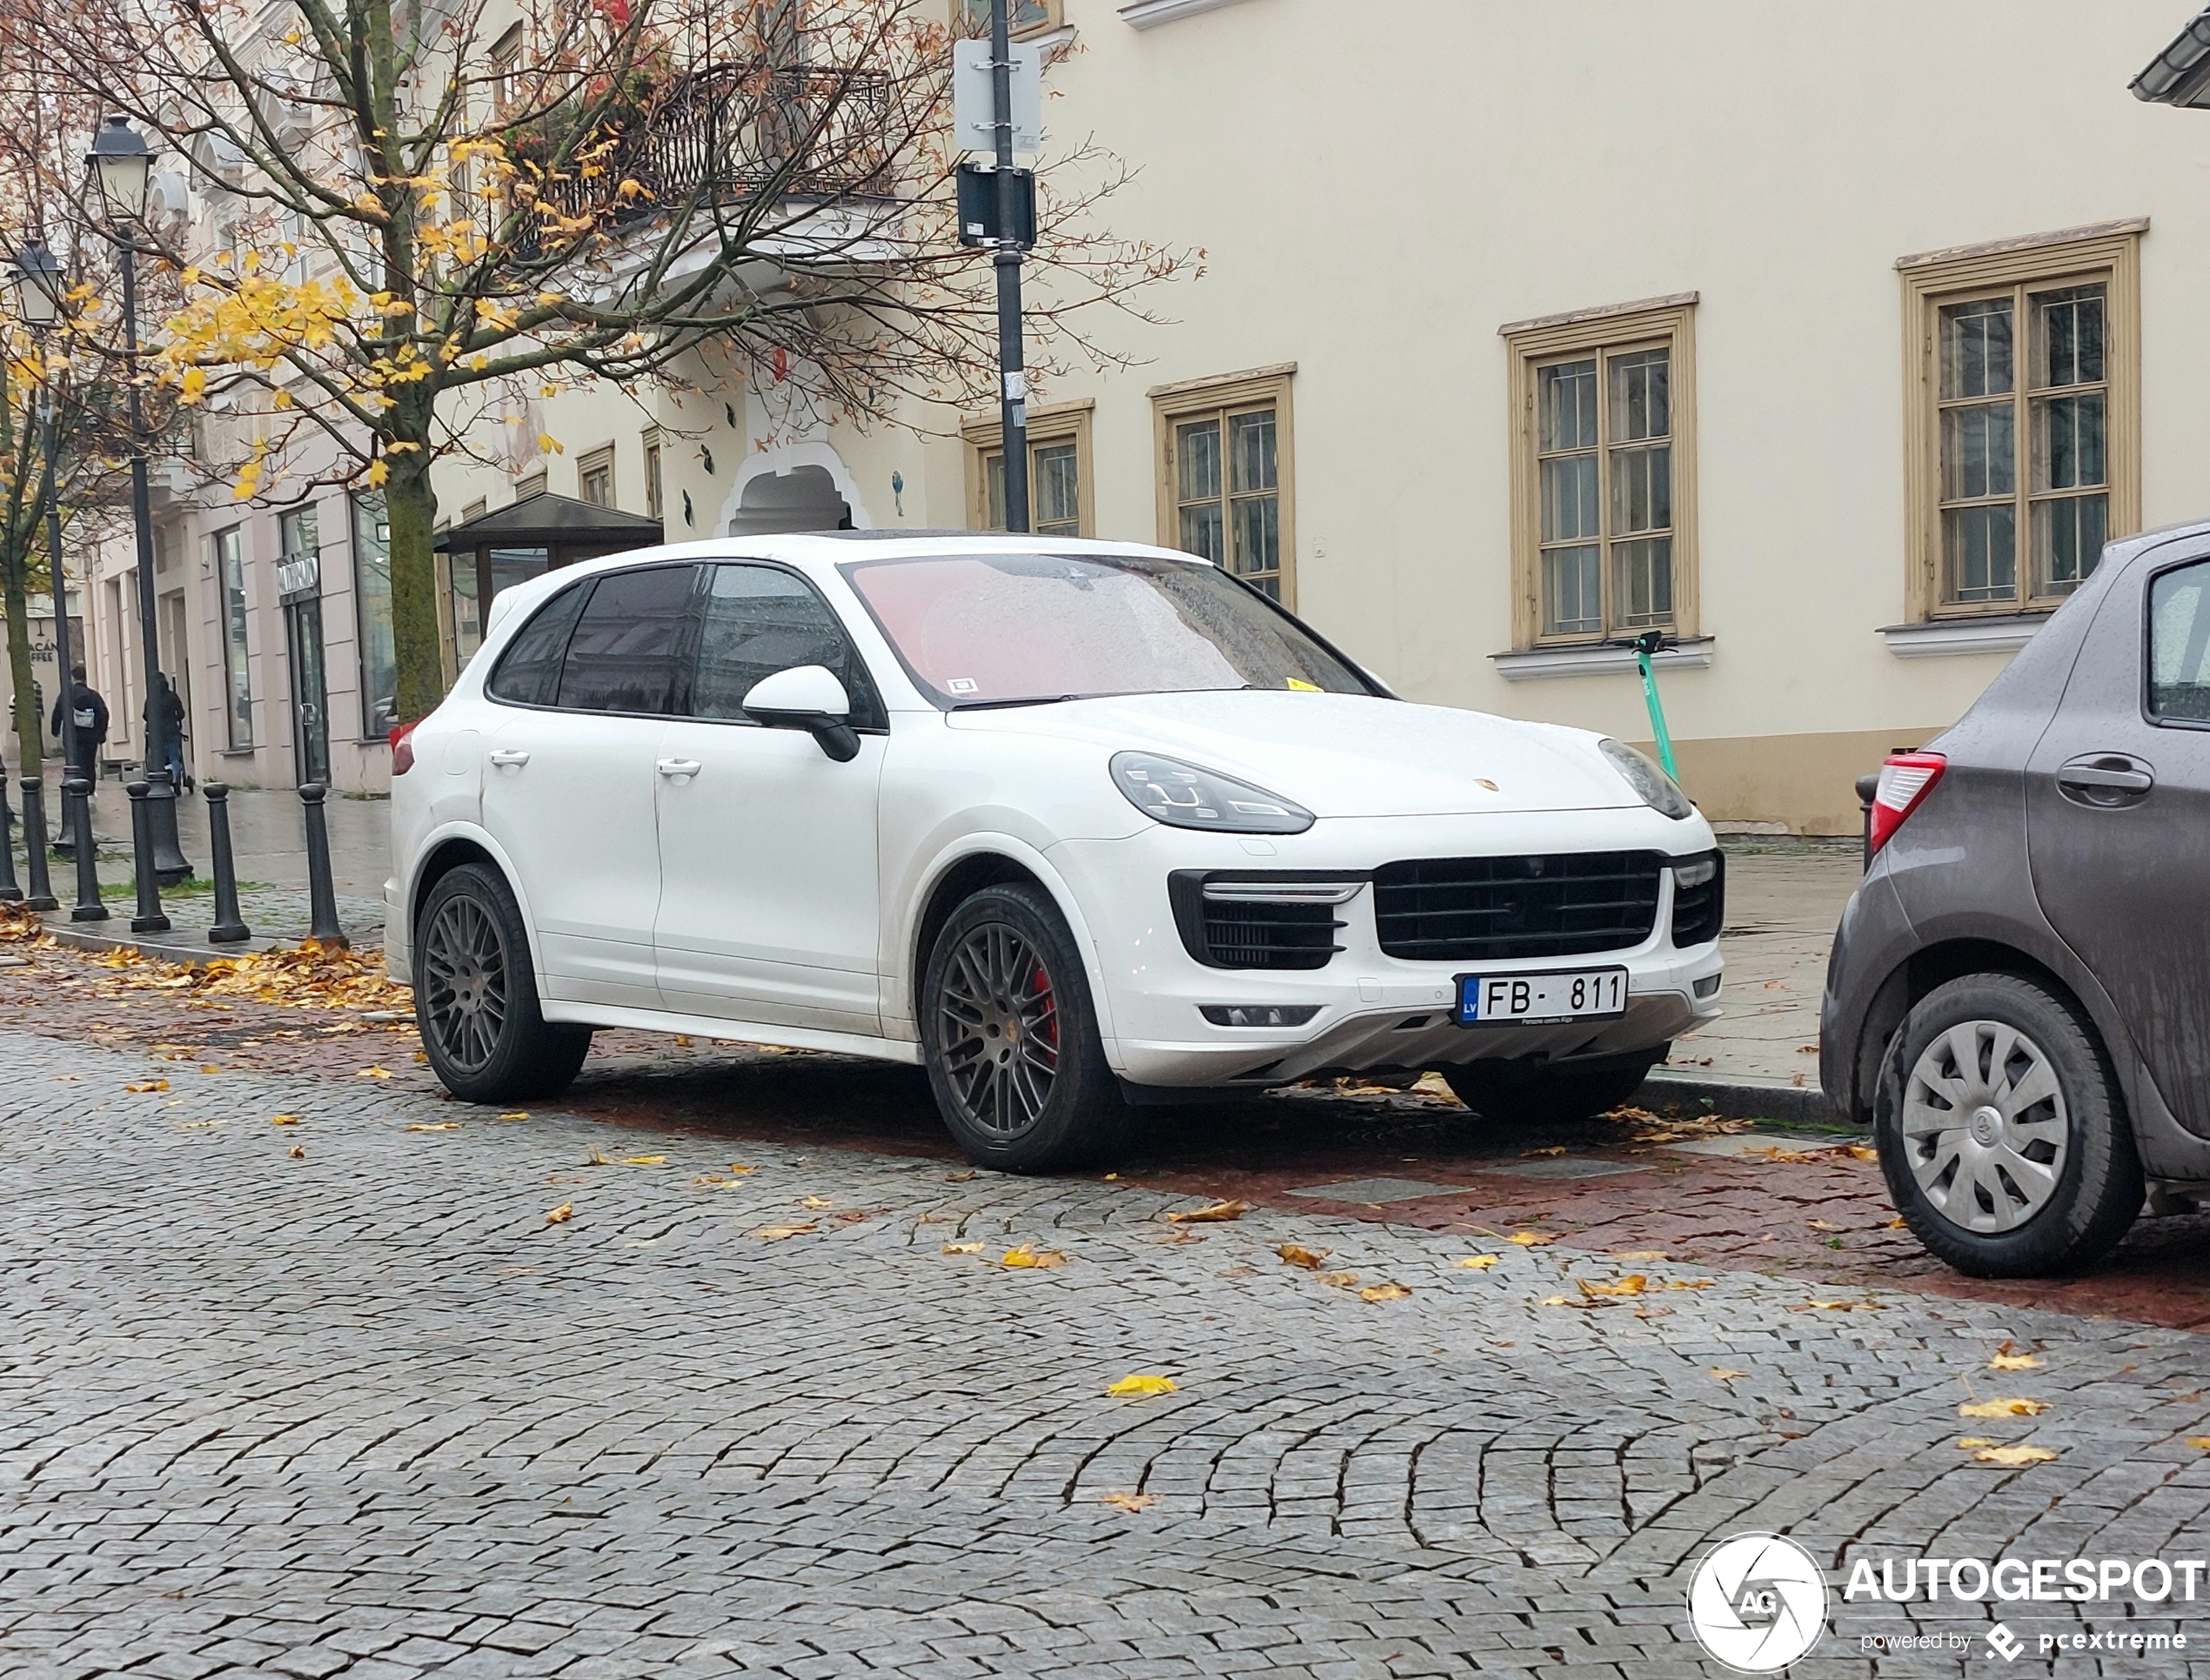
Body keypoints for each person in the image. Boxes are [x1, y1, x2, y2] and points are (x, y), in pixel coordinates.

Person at [50, 664, 106, 783]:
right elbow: (103, 714)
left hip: (72, 735)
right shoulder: (93, 696)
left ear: (73, 677)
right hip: (90, 736)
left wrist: (55, 730)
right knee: (89, 763)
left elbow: (58, 712)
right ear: (85, 678)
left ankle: (76, 787)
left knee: (74, 762)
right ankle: (89, 788)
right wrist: (101, 734)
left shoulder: (66, 694)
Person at [146, 672, 190, 793]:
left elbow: (145, 715)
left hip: (156, 734)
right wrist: (174, 719)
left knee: (157, 756)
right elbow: (181, 713)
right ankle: (176, 776)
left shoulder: (152, 698)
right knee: (174, 756)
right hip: (172, 731)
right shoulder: (172, 696)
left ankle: (160, 777)